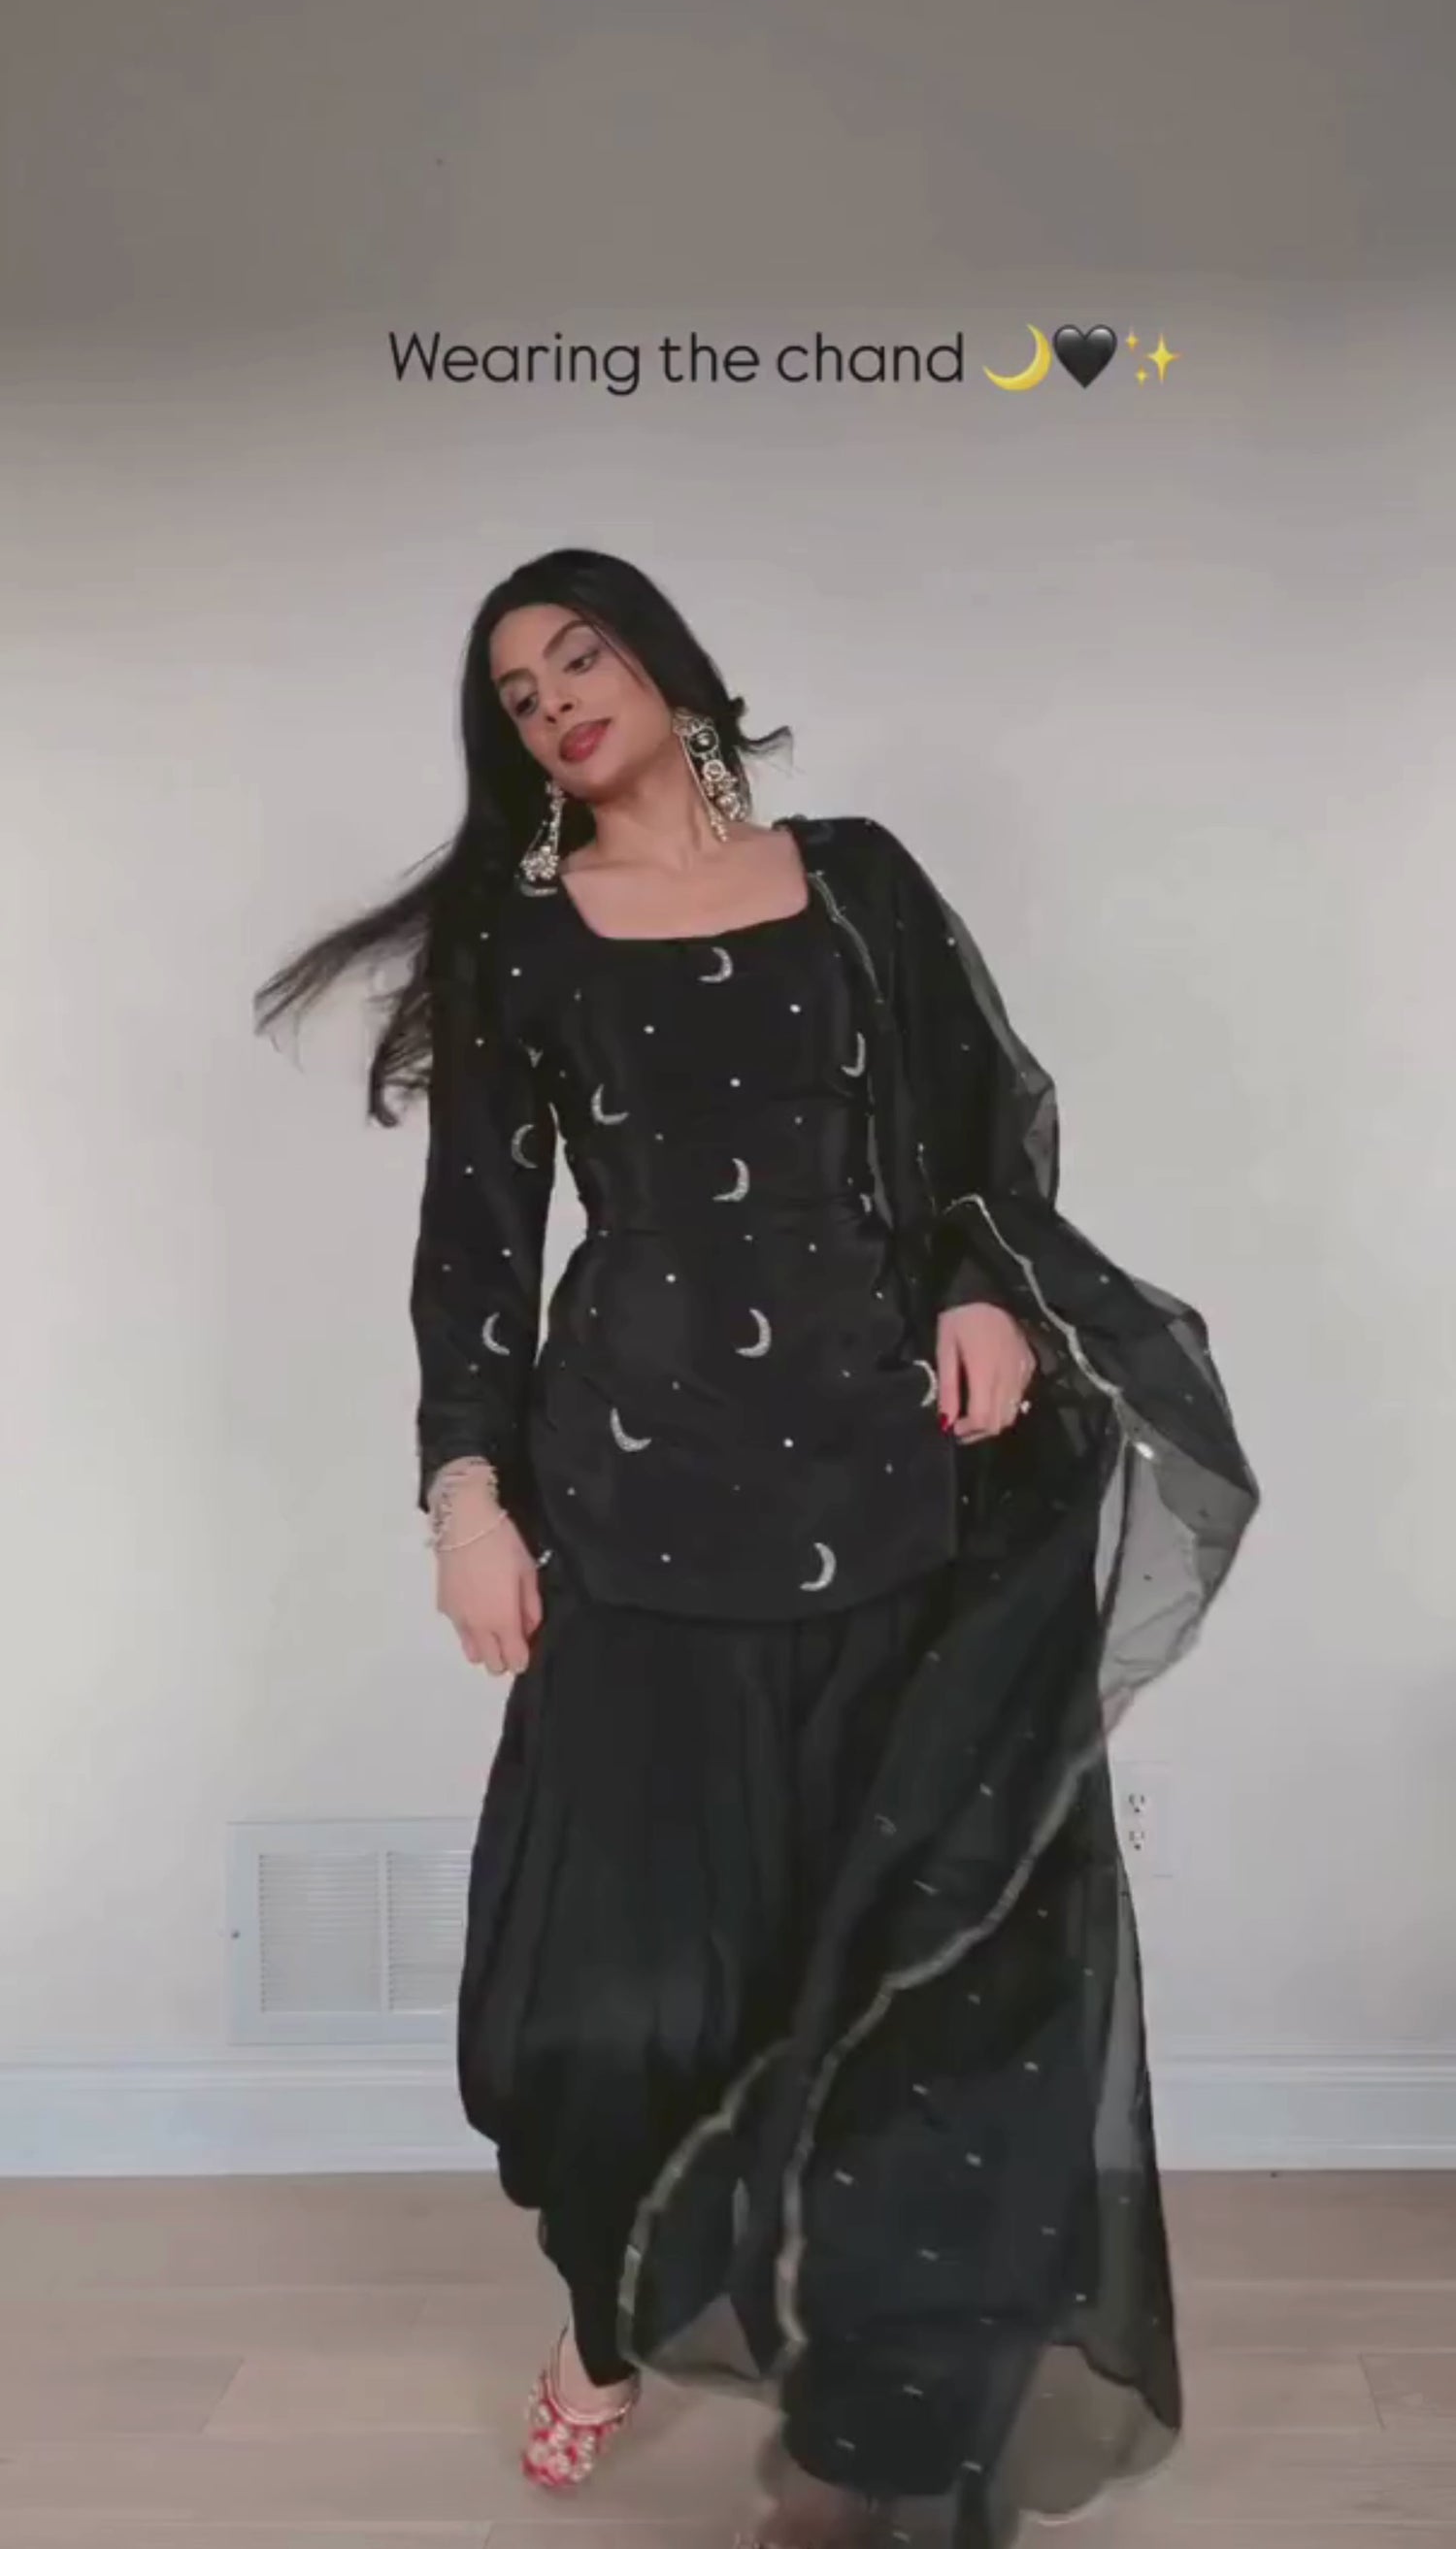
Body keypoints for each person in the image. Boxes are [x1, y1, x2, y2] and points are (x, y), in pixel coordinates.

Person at [255, 546, 1258, 2549]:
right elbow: (476, 1249)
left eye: (581, 657)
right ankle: (609, 2312)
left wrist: (981, 1288)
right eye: (520, 694)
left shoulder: (857, 881)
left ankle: (864, 2432)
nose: (558, 702)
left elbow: (977, 1140)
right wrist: (468, 1497)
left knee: (902, 1993)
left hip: (884, 1503)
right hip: (634, 1515)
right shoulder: (522, 940)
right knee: (600, 2006)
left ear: (665, 664)